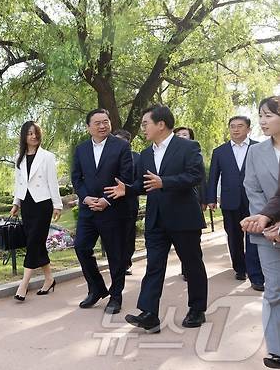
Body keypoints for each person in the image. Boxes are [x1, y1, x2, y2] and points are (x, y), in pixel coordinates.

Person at [105, 104, 208, 333]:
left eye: (145, 124)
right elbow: (144, 185)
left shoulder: (188, 147)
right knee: (154, 266)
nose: (143, 128)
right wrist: (128, 190)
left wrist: (165, 182)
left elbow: (195, 176)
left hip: (184, 218)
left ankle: (197, 309)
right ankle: (149, 313)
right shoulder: (145, 154)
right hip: (156, 220)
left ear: (161, 124)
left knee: (192, 264)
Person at [71, 110, 133, 314]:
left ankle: (116, 296)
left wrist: (107, 200)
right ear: (88, 127)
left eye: (105, 122)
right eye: (97, 123)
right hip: (88, 209)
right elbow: (77, 178)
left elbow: (126, 177)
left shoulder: (122, 146)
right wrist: (85, 197)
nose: (102, 126)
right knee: (81, 247)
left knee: (116, 255)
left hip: (113, 209)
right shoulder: (81, 149)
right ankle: (96, 288)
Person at [241, 96, 280, 368]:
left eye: (269, 115)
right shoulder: (255, 152)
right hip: (267, 234)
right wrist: (266, 223)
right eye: (261, 116)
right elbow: (252, 189)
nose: (263, 121)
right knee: (274, 291)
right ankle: (276, 349)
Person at [207, 116, 263, 290]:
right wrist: (210, 199)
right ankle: (239, 268)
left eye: (240, 126)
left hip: (254, 200)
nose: (236, 129)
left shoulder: (259, 148)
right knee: (234, 235)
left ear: (248, 129)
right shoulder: (220, 151)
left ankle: (256, 275)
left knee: (254, 235)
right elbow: (213, 176)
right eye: (232, 126)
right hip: (230, 200)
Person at [10, 121, 62, 301]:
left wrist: (58, 205)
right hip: (27, 204)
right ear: (24, 137)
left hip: (43, 203)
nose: (33, 136)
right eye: (29, 133)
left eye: (36, 133)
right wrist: (16, 203)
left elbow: (52, 182)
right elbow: (19, 184)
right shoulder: (20, 158)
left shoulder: (47, 157)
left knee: (33, 242)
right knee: (37, 243)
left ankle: (23, 284)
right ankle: (49, 279)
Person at [173, 126, 208, 282]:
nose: (181, 136)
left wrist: (204, 200)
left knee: (193, 241)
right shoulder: (169, 154)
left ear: (190, 137)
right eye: (178, 134)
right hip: (174, 204)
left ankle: (193, 270)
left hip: (192, 202)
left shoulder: (193, 151)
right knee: (181, 242)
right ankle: (185, 269)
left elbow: (201, 180)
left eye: (184, 134)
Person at [113, 129, 140, 276]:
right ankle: (116, 262)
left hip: (129, 202)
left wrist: (128, 189)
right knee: (113, 235)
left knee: (129, 234)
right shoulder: (108, 156)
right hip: (111, 202)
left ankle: (127, 262)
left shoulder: (137, 158)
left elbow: (139, 182)